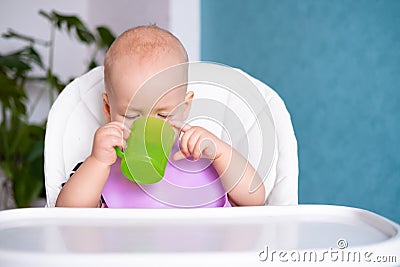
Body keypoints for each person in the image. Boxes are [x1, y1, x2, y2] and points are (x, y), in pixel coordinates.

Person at [55, 25, 265, 208]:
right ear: (109, 110)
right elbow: (68, 214)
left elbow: (255, 198)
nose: (147, 127)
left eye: (163, 115)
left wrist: (220, 153)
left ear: (185, 106)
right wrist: (97, 161)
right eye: (133, 116)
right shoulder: (102, 169)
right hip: (127, 253)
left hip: (205, 252)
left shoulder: (203, 157)